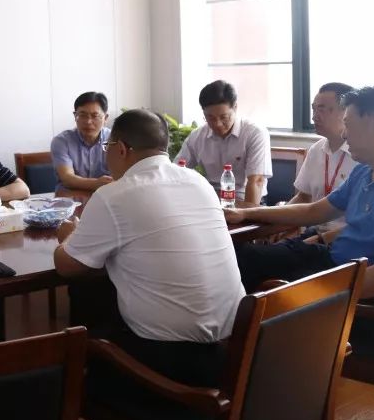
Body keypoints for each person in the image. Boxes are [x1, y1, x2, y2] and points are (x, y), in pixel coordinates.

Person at [54, 110, 244, 387]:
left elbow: (67, 266)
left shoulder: (114, 195)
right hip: (233, 348)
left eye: (108, 147)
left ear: (121, 149)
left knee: (87, 308)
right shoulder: (198, 182)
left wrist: (68, 236)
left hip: (171, 360)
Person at [226, 86, 374, 300]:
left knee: (251, 277)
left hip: (345, 282)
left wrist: (321, 292)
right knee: (235, 256)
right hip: (331, 258)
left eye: (348, 125)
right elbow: (314, 211)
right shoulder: (366, 170)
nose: (344, 134)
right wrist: (247, 213)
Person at [175, 80, 272, 207]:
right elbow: (176, 171)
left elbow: (256, 181)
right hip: (210, 201)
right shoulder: (197, 136)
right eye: (210, 118)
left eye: (224, 117)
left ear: (235, 107)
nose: (218, 124)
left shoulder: (255, 133)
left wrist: (246, 214)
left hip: (244, 201)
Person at [289, 84, 359, 237]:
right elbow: (303, 197)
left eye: (321, 110)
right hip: (314, 233)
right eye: (313, 109)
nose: (314, 117)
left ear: (346, 112)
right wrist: (278, 222)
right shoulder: (316, 149)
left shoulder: (362, 154)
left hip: (344, 238)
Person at [51, 91, 113, 198]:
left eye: (95, 116)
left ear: (105, 118)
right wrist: (97, 183)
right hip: (70, 198)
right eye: (82, 115)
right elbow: (67, 179)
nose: (88, 121)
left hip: (106, 197)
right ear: (75, 116)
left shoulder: (114, 140)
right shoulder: (62, 141)